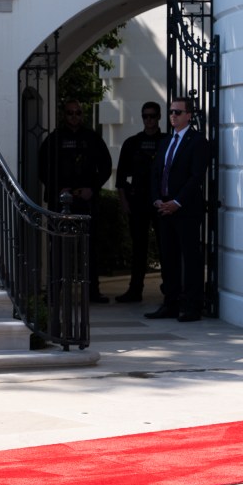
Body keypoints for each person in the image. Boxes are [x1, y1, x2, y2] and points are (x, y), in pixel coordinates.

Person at [38, 100, 113, 302]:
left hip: (86, 201)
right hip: (61, 202)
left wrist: (92, 188)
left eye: (78, 112)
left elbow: (106, 166)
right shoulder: (54, 139)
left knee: (89, 246)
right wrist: (56, 189)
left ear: (82, 115)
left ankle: (93, 292)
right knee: (59, 247)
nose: (74, 116)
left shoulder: (92, 139)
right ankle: (55, 293)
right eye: (70, 112)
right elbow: (43, 168)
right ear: (64, 114)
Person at [145, 96, 209, 322]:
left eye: (178, 112)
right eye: (171, 111)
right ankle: (170, 303)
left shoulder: (197, 141)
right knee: (168, 258)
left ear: (189, 115)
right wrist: (157, 200)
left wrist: (177, 202)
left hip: (186, 210)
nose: (173, 115)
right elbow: (155, 173)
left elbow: (196, 177)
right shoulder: (166, 141)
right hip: (164, 209)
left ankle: (192, 305)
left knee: (190, 259)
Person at [114, 101, 163, 302]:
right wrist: (124, 202)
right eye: (145, 116)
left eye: (152, 116)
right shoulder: (131, 143)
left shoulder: (167, 141)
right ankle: (135, 290)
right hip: (138, 201)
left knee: (166, 247)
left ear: (159, 117)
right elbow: (121, 179)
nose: (149, 120)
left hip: (161, 201)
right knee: (139, 249)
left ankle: (171, 291)